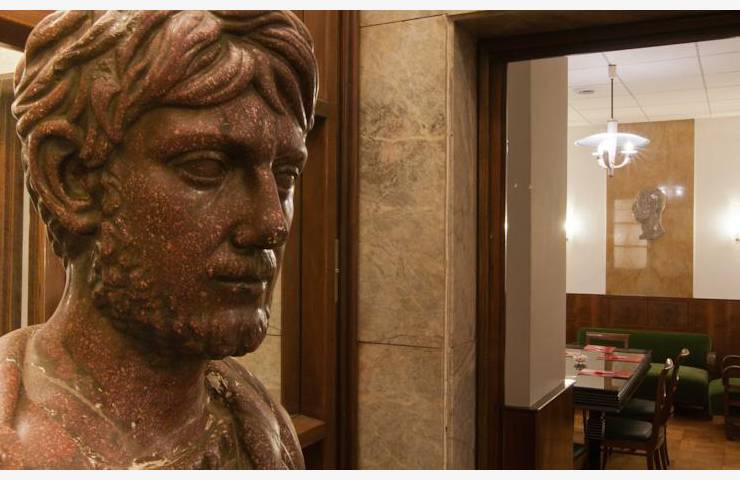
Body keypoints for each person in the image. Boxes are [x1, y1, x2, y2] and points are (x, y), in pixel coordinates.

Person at [0, 10, 317, 469]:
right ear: (68, 179)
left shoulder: (263, 425)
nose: (272, 225)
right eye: (206, 168)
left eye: (285, 176)